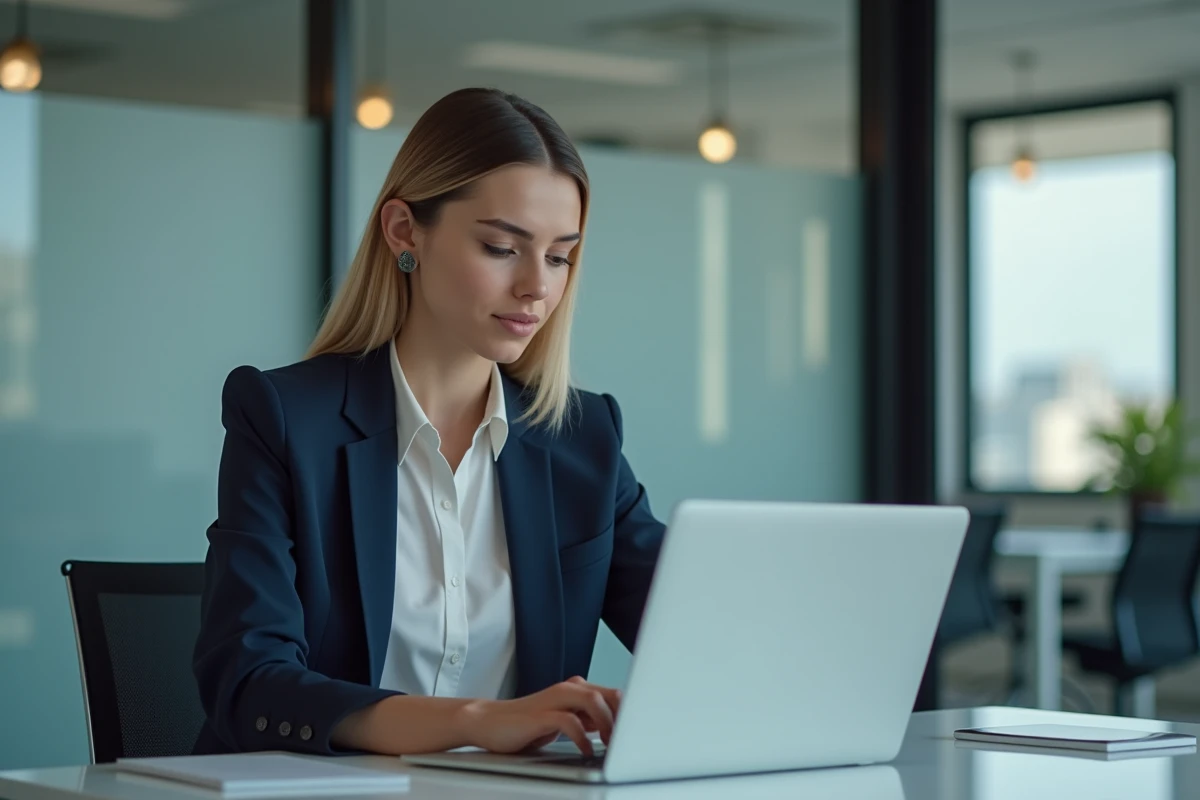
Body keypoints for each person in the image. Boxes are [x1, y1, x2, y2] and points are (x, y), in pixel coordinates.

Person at [192, 88, 665, 759]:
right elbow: (249, 685)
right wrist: (473, 721)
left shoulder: (582, 439)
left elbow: (701, 638)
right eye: (503, 247)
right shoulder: (284, 421)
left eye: (560, 256)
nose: (537, 285)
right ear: (404, 231)